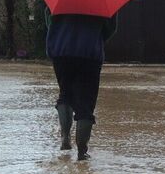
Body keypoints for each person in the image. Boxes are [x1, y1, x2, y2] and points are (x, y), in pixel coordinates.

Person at [46, 10, 117, 161]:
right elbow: (111, 27)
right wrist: (96, 38)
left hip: (61, 51)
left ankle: (65, 137)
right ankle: (82, 151)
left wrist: (58, 35)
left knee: (65, 93)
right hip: (89, 52)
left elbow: (49, 18)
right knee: (86, 101)